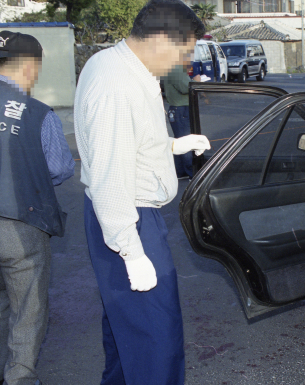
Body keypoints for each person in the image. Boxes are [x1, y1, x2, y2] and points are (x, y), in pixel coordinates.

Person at [73, 1, 209, 384]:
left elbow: (127, 143)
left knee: (125, 329)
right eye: (183, 53)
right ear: (162, 39)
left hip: (125, 213)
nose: (182, 63)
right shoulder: (117, 83)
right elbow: (109, 174)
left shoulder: (118, 66)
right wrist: (131, 250)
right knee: (156, 337)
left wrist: (171, 145)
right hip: (126, 217)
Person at [0, 31, 75, 385]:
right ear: (30, 66)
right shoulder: (37, 113)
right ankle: (19, 378)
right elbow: (59, 167)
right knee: (28, 306)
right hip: (21, 224)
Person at [165, 65, 202, 179]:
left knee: (179, 139)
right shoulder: (176, 69)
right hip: (181, 109)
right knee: (186, 140)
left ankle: (181, 171)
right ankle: (191, 172)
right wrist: (195, 81)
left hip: (176, 109)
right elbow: (185, 87)